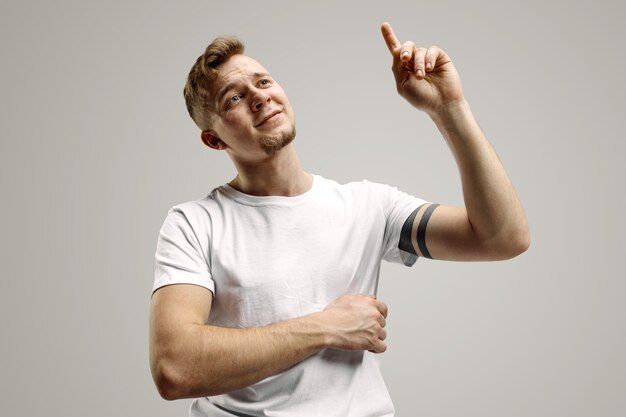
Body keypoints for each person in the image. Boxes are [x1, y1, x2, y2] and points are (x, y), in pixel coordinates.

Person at [149, 22, 530, 416]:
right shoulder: (194, 225)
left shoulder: (369, 206)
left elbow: (502, 237)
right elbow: (174, 368)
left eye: (263, 82)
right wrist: (328, 326)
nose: (259, 98)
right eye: (234, 99)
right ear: (214, 140)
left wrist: (449, 108)